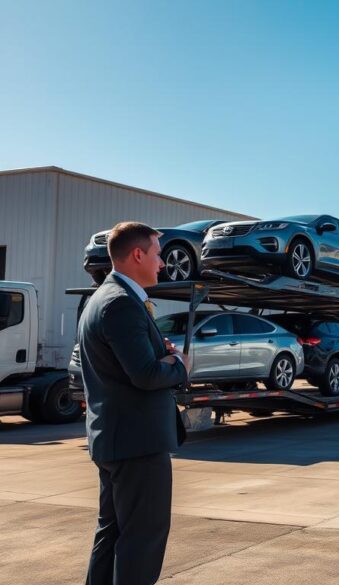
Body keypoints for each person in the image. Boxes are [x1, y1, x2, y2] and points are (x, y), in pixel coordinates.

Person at [79, 222, 191, 585]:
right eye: (158, 254)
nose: (162, 263)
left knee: (111, 535)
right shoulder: (120, 304)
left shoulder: (106, 297)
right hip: (137, 444)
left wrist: (162, 353)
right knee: (142, 539)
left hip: (116, 440)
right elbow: (144, 374)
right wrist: (179, 365)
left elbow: (131, 363)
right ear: (138, 254)